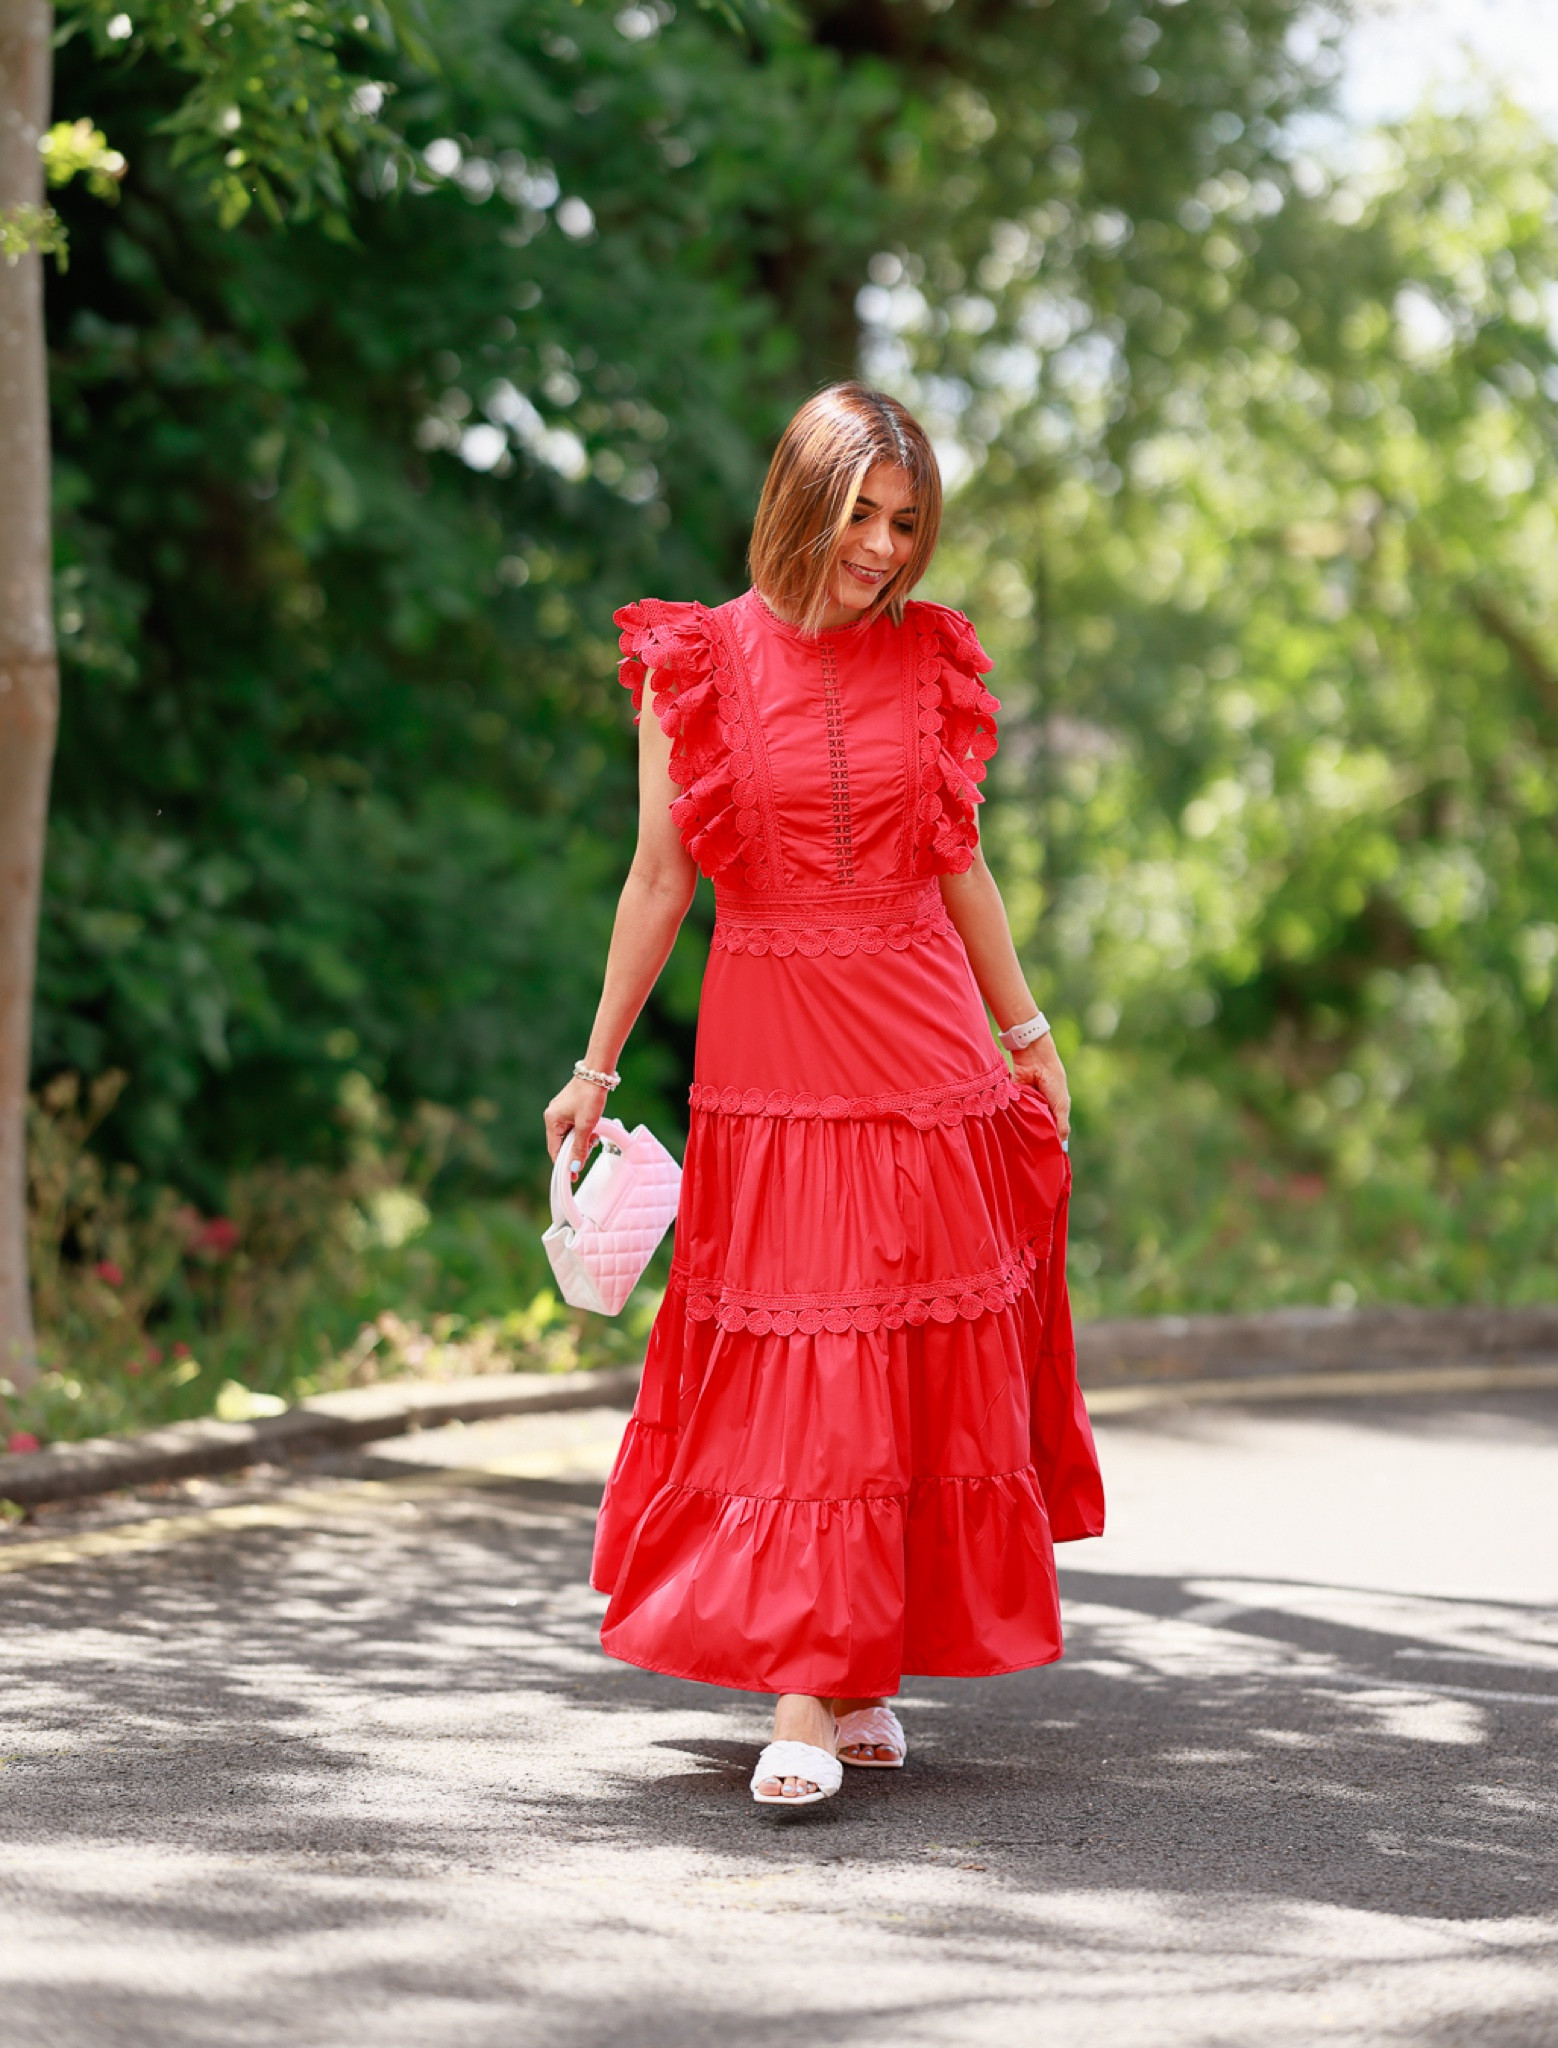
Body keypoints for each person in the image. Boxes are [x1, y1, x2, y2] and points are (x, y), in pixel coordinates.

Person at [543, 382, 1105, 1809]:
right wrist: (595, 1062)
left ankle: (840, 1679)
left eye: (906, 523)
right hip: (773, 1049)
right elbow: (661, 876)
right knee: (814, 1357)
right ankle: (813, 1675)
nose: (882, 547)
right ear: (801, 500)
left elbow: (953, 857)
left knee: (897, 1347)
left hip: (922, 1043)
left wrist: (1025, 1023)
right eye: (860, 513)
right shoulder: (696, 659)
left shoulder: (933, 657)